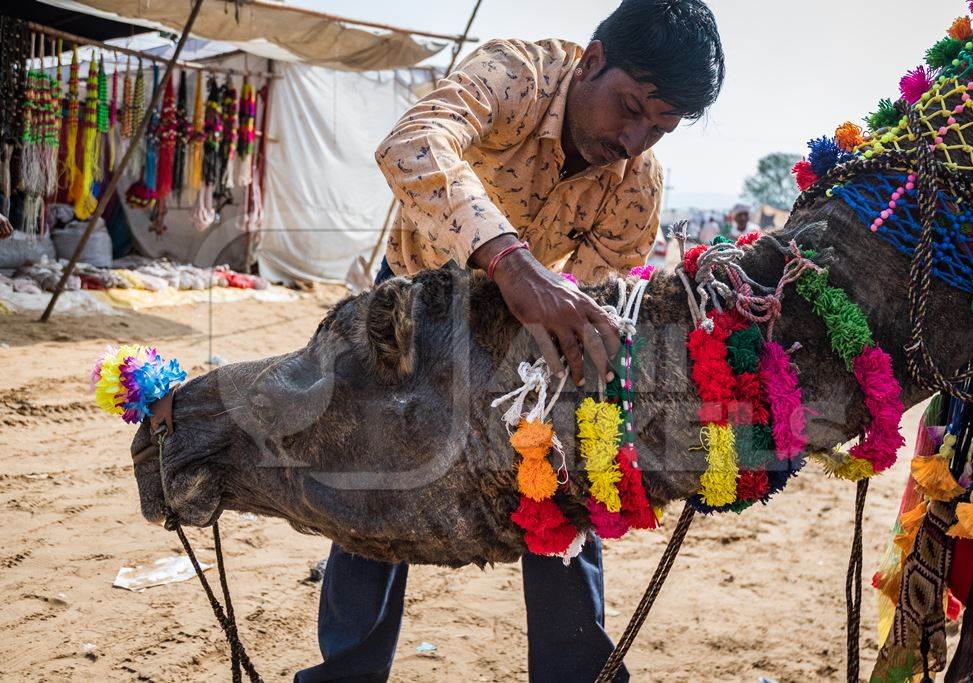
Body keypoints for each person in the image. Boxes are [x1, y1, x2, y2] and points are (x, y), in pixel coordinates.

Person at [295, 1, 724, 681]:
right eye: (631, 105)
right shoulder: (515, 74)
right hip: (413, 299)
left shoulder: (638, 188)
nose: (636, 136)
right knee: (377, 480)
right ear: (590, 61)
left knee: (563, 483)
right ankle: (348, 672)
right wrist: (512, 263)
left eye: (660, 126)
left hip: (531, 342)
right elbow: (410, 143)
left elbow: (593, 303)